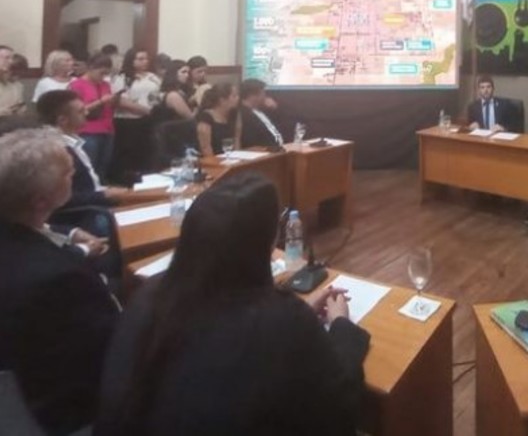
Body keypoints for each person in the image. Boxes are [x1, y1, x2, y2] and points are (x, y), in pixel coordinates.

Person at [95, 172, 370, 436]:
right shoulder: (282, 321)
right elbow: (338, 400)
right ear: (264, 244)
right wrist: (341, 325)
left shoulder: (148, 294)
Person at [0, 128, 120, 435]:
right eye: (69, 173)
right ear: (42, 201)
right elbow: (110, 352)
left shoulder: (19, 232)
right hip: (67, 412)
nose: (74, 174)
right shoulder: (61, 278)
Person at [110, 48, 161, 181]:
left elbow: (156, 96)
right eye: (140, 59)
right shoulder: (122, 78)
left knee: (146, 152)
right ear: (131, 60)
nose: (145, 62)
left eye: (146, 59)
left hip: (147, 121)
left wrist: (154, 109)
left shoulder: (152, 77)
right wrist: (145, 110)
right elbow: (120, 101)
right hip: (128, 121)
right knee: (128, 155)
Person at [69, 54, 118, 181]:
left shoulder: (105, 85)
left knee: (103, 167)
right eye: (101, 73)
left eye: (106, 74)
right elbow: (77, 110)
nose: (103, 77)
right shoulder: (77, 85)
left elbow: (109, 107)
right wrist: (100, 101)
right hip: (87, 131)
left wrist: (113, 101)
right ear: (90, 68)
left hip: (107, 129)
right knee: (89, 167)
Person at [196, 83, 240, 157]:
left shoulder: (234, 114)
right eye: (234, 96)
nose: (238, 98)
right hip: (213, 159)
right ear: (222, 100)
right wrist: (216, 162)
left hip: (230, 158)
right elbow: (205, 147)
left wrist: (238, 157)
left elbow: (237, 139)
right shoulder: (206, 117)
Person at [239, 78, 283, 149]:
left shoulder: (263, 110)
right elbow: (251, 142)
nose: (265, 96)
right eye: (263, 93)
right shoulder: (243, 116)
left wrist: (274, 108)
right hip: (267, 152)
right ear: (253, 96)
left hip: (281, 148)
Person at [151, 60, 194, 125]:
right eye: (183, 72)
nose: (187, 75)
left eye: (188, 72)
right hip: (173, 129)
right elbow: (190, 117)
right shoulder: (173, 95)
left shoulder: (180, 91)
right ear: (173, 73)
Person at [0, 45, 25, 116]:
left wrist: (20, 109)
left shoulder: (16, 85)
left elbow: (19, 105)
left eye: (11, 58)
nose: (11, 62)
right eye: (7, 58)